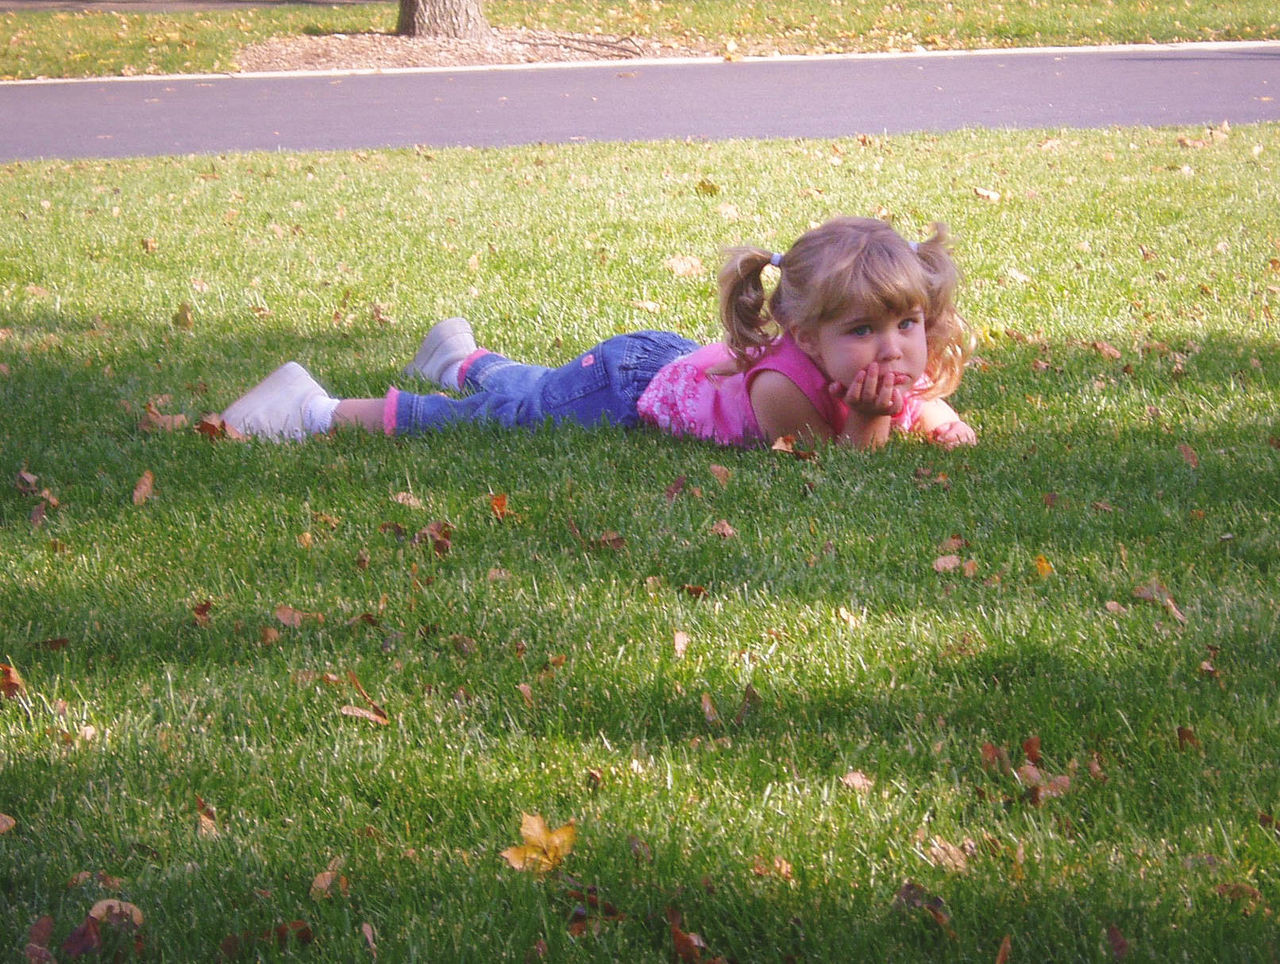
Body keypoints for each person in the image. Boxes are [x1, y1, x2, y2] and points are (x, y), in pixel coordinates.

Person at [221, 216, 976, 450]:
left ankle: (460, 356)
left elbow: (914, 402)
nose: (895, 348)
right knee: (511, 416)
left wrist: (941, 422)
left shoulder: (871, 362)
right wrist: (875, 419)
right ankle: (314, 411)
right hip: (625, 388)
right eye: (866, 329)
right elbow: (838, 469)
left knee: (531, 390)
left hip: (663, 361)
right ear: (807, 338)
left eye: (907, 323)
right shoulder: (783, 387)